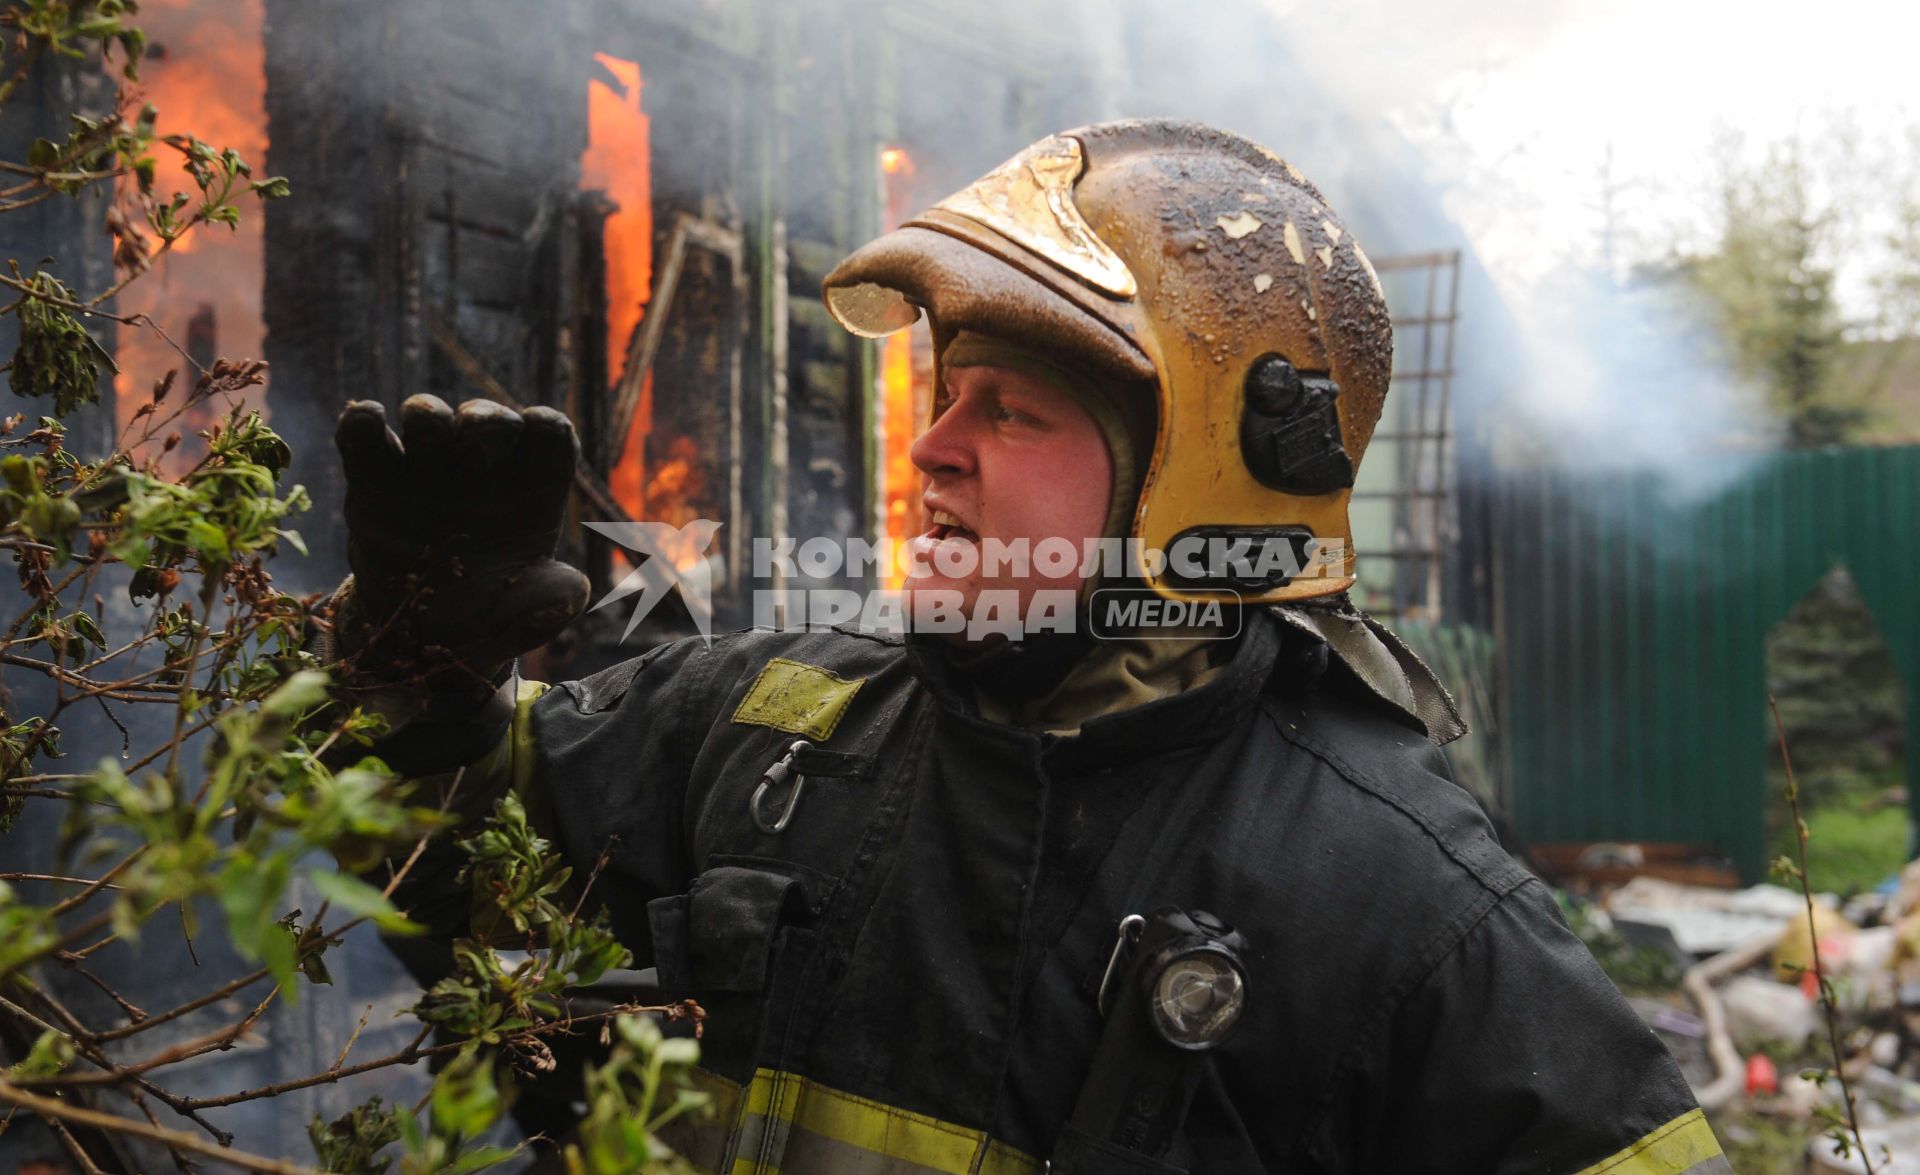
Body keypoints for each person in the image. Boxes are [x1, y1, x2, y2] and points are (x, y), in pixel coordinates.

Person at [326, 120, 1727, 1174]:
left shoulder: (1396, 903)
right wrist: (414, 673)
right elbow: (423, 863)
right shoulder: (768, 722)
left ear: (1199, 486)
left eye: (1010, 413)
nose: (931, 451)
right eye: (949, 396)